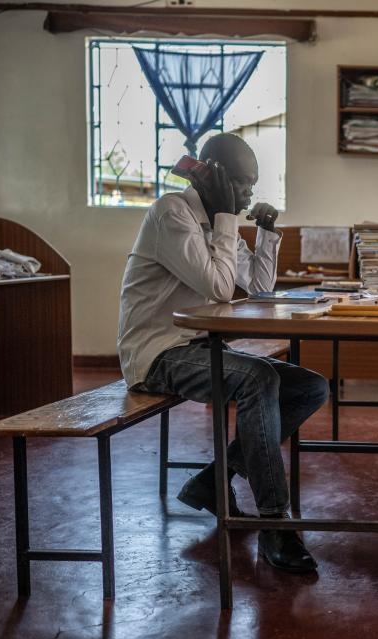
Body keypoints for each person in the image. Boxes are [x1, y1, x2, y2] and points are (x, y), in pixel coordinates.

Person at [117, 133, 328, 574]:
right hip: (157, 354)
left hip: (200, 348)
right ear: (210, 172)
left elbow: (260, 286)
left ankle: (215, 481)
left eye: (253, 184)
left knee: (310, 386)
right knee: (260, 379)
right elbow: (217, 285)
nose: (249, 192)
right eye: (241, 181)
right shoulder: (171, 213)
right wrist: (230, 218)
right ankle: (275, 524)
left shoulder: (217, 220)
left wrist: (265, 232)